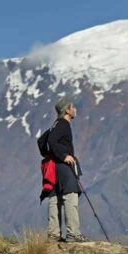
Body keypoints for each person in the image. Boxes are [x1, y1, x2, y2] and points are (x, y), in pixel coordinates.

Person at [45, 99, 87, 242]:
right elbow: (52, 141)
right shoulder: (63, 124)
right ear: (67, 110)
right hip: (63, 167)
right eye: (72, 107)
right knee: (71, 197)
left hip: (54, 167)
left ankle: (54, 234)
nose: (75, 109)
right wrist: (64, 156)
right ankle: (73, 234)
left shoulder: (56, 124)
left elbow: (50, 141)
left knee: (55, 197)